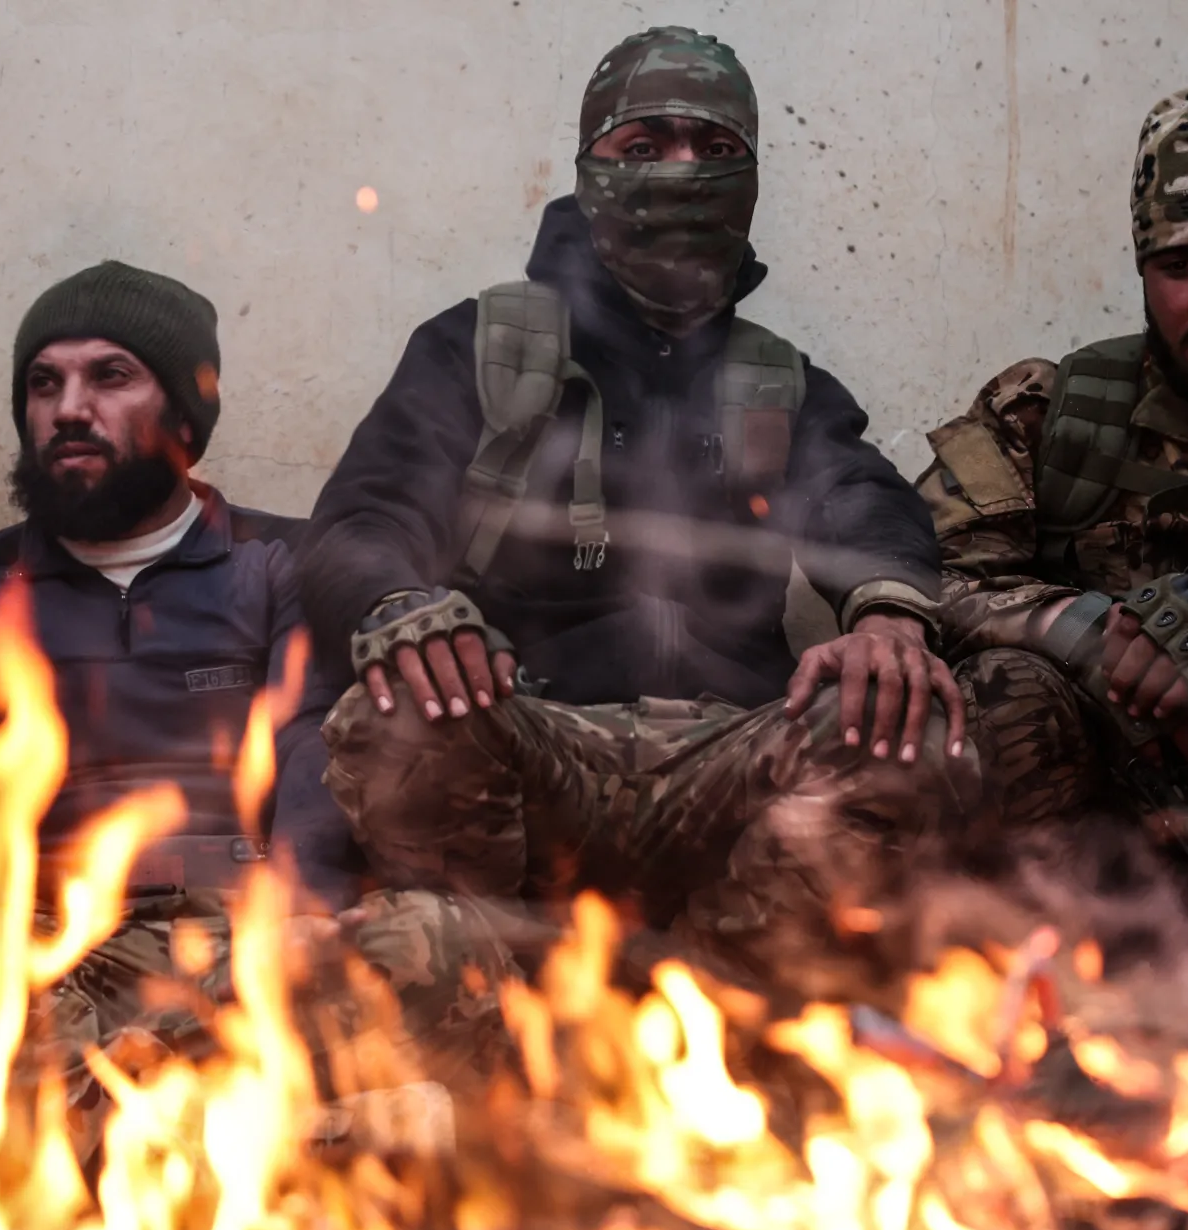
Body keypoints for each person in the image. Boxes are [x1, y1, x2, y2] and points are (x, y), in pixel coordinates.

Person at [0, 264, 491, 1157]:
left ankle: (65, 1137)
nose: (69, 408)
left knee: (439, 939)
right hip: (31, 951)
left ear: (185, 418)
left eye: (110, 377)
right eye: (45, 384)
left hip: (232, 947)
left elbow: (313, 733)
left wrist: (304, 898)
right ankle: (233, 1140)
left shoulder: (279, 565)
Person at [297, 26, 974, 953]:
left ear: (750, 181)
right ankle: (496, 977)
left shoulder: (776, 380)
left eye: (714, 147)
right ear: (589, 172)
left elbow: (862, 497)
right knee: (404, 709)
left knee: (905, 731)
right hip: (531, 735)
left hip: (731, 755)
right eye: (644, 145)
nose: (681, 171)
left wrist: (889, 619)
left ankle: (731, 994)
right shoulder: (479, 348)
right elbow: (361, 521)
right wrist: (405, 608)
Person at [920, 85, 1188, 904]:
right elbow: (916, 576)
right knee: (997, 685)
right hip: (1095, 832)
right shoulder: (1047, 411)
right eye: (1180, 265)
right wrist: (1090, 637)